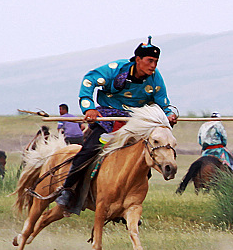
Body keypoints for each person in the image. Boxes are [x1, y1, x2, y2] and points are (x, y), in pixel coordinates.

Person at [55, 36, 179, 210]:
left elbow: (163, 103)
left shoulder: (155, 78)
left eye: (156, 62)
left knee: (144, 163)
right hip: (108, 118)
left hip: (135, 123)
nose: (153, 66)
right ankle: (67, 190)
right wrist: (89, 108)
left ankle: (128, 203)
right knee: (89, 151)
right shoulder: (116, 69)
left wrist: (169, 115)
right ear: (138, 60)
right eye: (150, 61)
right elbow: (88, 80)